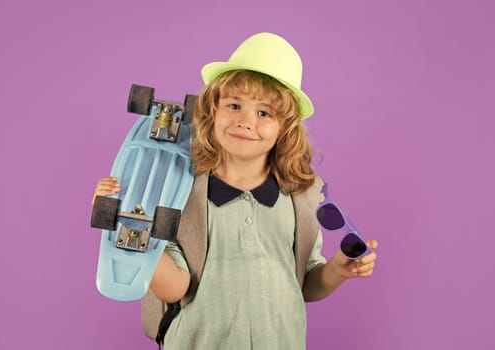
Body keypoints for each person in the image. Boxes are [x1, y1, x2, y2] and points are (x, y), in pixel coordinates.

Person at [92, 32, 378, 349]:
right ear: (212, 110)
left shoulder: (302, 196)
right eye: (233, 104)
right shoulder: (180, 192)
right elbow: (174, 289)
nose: (244, 121)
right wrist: (127, 221)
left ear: (285, 129)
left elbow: (305, 284)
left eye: (264, 113)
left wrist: (337, 270)